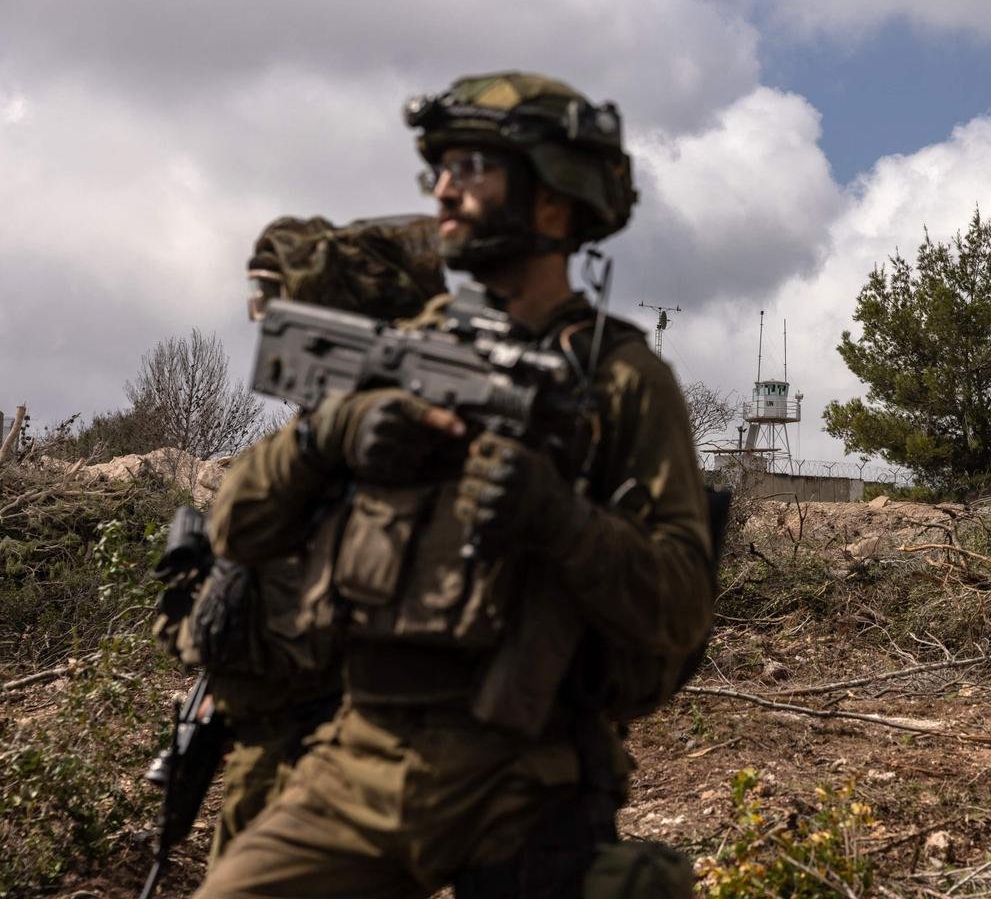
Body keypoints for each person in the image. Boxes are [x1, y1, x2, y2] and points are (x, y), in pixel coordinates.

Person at [196, 72, 712, 899]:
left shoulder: (623, 382)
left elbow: (682, 607)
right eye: (439, 167)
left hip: (525, 773)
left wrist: (558, 519)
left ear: (553, 199)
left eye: (473, 166)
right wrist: (330, 435)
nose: (443, 188)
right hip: (358, 753)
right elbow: (238, 527)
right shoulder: (403, 348)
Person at [153, 213, 451, 861]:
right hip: (269, 745)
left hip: (341, 757)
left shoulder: (403, 457)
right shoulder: (308, 448)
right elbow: (241, 539)